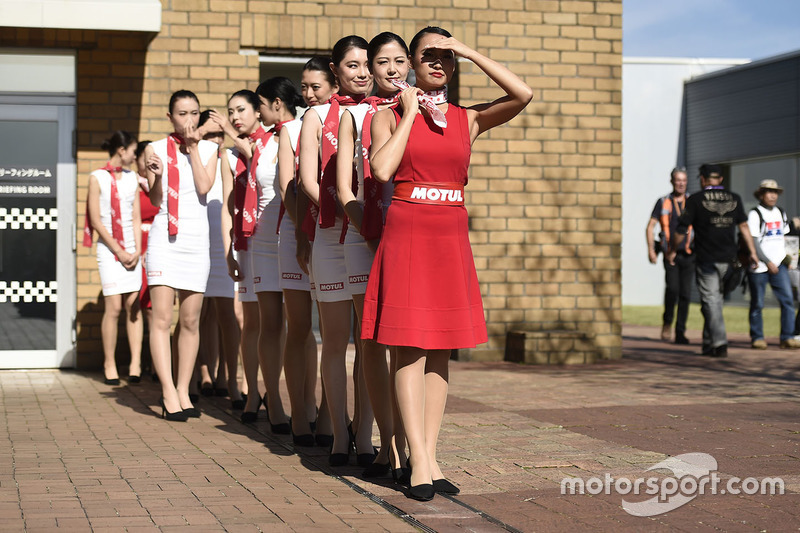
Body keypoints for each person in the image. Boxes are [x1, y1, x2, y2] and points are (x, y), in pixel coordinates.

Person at [363, 26, 532, 501]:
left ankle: (431, 457)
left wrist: (470, 52)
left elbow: (523, 93)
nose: (438, 62)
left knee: (440, 350)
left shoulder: (467, 118)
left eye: (445, 57)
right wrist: (410, 111)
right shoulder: (386, 113)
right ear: (411, 63)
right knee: (409, 348)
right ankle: (416, 458)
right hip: (409, 230)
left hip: (450, 233)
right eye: (428, 55)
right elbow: (380, 170)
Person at [336, 31, 411, 479]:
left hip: (405, 236)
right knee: (371, 344)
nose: (389, 70)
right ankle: (387, 441)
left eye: (399, 61)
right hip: (363, 236)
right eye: (380, 62)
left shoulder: (418, 110)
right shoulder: (354, 116)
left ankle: (404, 441)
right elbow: (346, 187)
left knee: (403, 341)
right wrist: (366, 228)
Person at [298, 35, 374, 467]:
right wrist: (346, 209)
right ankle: (339, 435)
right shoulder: (316, 116)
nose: (362, 72)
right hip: (330, 233)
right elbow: (309, 180)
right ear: (335, 70)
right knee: (334, 342)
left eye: (367, 64)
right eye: (352, 65)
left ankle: (364, 433)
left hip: (367, 237)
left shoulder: (384, 110)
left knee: (368, 342)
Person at [144, 89, 218, 421]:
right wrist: (156, 175)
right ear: (170, 116)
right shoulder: (154, 148)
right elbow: (156, 199)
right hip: (163, 239)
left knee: (190, 320)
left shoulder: (210, 148)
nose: (188, 120)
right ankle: (167, 392)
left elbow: (204, 187)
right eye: (182, 114)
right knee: (161, 318)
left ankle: (184, 388)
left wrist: (192, 149)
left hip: (195, 240)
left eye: (193, 113)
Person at [277, 57, 338, 446]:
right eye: (304, 87)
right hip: (298, 233)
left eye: (316, 87)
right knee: (299, 328)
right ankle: (300, 413)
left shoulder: (350, 118)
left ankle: (330, 416)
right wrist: (302, 235)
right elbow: (289, 187)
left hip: (335, 234)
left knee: (333, 333)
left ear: (334, 86)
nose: (308, 94)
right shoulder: (292, 128)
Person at [674, 164, 758, 358]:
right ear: (720, 179)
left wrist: (672, 249)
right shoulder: (734, 198)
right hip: (730, 261)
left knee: (711, 301)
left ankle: (719, 343)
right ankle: (707, 342)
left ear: (703, 179)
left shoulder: (695, 199)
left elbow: (681, 229)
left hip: (707, 260)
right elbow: (744, 226)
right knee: (713, 301)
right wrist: (752, 252)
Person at [84, 130, 143, 385]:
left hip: (132, 246)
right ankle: (109, 363)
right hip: (109, 249)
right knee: (114, 307)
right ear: (122, 150)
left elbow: (136, 216)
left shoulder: (133, 178)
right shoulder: (97, 177)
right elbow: (95, 220)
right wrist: (118, 250)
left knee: (134, 305)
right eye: (133, 150)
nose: (134, 155)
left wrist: (137, 250)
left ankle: (135, 363)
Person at [194, 111, 244, 407]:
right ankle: (203, 372)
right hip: (198, 243)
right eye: (209, 134)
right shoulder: (191, 157)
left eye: (218, 135)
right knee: (200, 315)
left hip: (223, 242)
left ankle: (230, 378)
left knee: (228, 316)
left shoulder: (227, 158)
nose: (215, 140)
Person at [746, 179, 800, 350]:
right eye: (768, 192)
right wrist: (766, 261)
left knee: (787, 301)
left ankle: (787, 336)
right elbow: (753, 241)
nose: (772, 195)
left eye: (775, 192)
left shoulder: (780, 212)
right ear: (761, 194)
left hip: (780, 266)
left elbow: (784, 239)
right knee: (758, 303)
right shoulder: (755, 214)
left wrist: (787, 259)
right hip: (760, 267)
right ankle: (758, 337)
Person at [646, 167, 694, 344]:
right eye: (677, 180)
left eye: (683, 180)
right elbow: (650, 226)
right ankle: (667, 322)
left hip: (689, 254)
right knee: (673, 289)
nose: (680, 183)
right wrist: (651, 250)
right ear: (672, 181)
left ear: (686, 181)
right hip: (669, 254)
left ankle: (680, 331)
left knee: (686, 294)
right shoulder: (663, 201)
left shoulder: (692, 201)